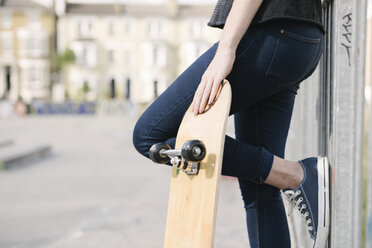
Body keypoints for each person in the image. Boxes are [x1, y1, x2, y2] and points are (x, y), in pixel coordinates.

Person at [132, 0, 329, 247]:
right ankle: (287, 174)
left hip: (271, 36)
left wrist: (226, 48)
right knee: (260, 188)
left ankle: (294, 174)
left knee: (149, 135)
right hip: (297, 39)